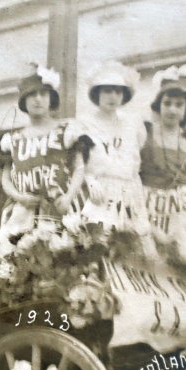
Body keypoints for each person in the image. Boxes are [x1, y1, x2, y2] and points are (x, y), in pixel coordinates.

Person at [0, 65, 87, 255]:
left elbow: (79, 168)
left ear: (51, 99)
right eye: (32, 95)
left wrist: (69, 196)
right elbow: (6, 178)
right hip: (23, 211)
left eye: (43, 94)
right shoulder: (13, 139)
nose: (38, 99)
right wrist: (20, 197)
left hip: (59, 208)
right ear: (24, 101)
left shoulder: (66, 131)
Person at [139, 64, 186, 276]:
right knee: (150, 265)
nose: (172, 109)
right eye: (167, 103)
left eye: (179, 105)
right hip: (151, 208)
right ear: (159, 105)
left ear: (185, 108)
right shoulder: (145, 133)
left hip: (183, 210)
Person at [80, 61, 156, 258]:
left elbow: (135, 151)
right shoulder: (85, 124)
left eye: (117, 91)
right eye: (106, 91)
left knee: (133, 247)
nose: (112, 96)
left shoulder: (133, 123)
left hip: (129, 190)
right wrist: (89, 179)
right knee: (100, 246)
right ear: (97, 93)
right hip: (100, 190)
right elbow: (79, 161)